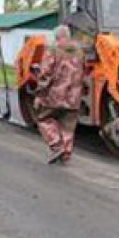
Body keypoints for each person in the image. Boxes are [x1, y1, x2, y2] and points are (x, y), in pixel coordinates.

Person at [31, 25, 86, 165]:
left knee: (43, 119)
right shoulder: (80, 52)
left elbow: (45, 75)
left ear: (58, 37)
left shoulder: (54, 50)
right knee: (67, 127)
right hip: (74, 98)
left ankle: (56, 145)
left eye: (56, 38)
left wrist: (39, 95)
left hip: (55, 96)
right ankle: (65, 155)